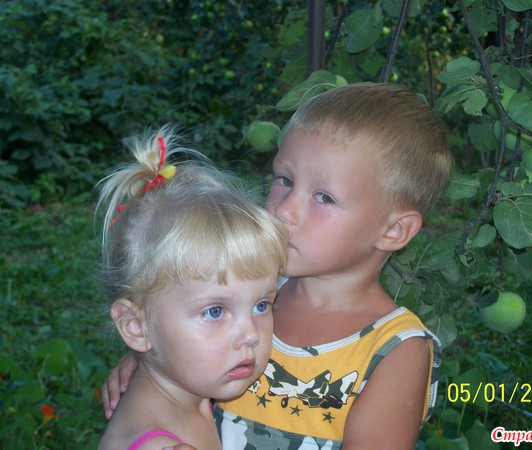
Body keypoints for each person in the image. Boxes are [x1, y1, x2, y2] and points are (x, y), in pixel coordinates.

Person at [103, 83, 453, 450]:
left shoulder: (396, 352)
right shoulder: (248, 291)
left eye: (324, 197)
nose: (284, 210)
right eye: (284, 180)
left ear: (394, 230)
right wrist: (153, 361)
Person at [96, 126, 288, 450]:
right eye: (214, 311)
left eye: (261, 305)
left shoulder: (192, 393)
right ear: (136, 326)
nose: (251, 335)